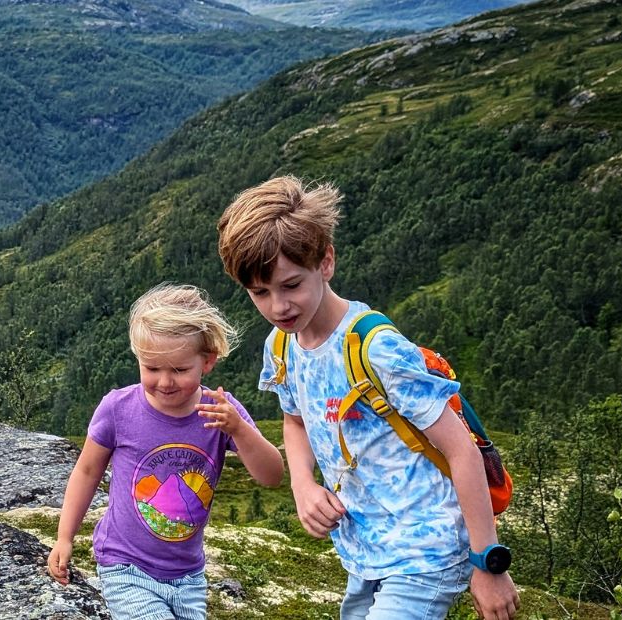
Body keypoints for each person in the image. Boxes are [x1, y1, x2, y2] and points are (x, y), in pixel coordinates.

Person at [216, 176, 518, 620]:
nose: (278, 306)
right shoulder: (282, 346)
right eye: (260, 293)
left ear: (326, 261)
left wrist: (487, 564)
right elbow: (295, 419)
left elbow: (462, 450)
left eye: (291, 285)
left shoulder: (375, 348)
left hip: (425, 550)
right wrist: (302, 485)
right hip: (365, 550)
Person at [47, 283, 285, 619]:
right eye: (152, 368)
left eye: (179, 369)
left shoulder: (221, 411)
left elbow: (272, 475)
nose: (165, 382)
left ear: (208, 362)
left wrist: (239, 430)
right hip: (125, 566)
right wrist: (64, 537)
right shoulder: (118, 408)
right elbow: (87, 472)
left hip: (189, 576)